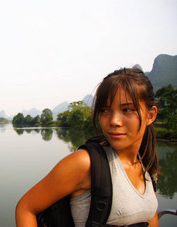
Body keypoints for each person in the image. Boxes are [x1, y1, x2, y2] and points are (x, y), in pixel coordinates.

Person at [15, 68, 159, 227]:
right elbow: (26, 208)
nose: (114, 121)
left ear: (150, 115)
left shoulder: (146, 164)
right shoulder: (85, 163)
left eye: (127, 110)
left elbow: (150, 217)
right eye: (105, 110)